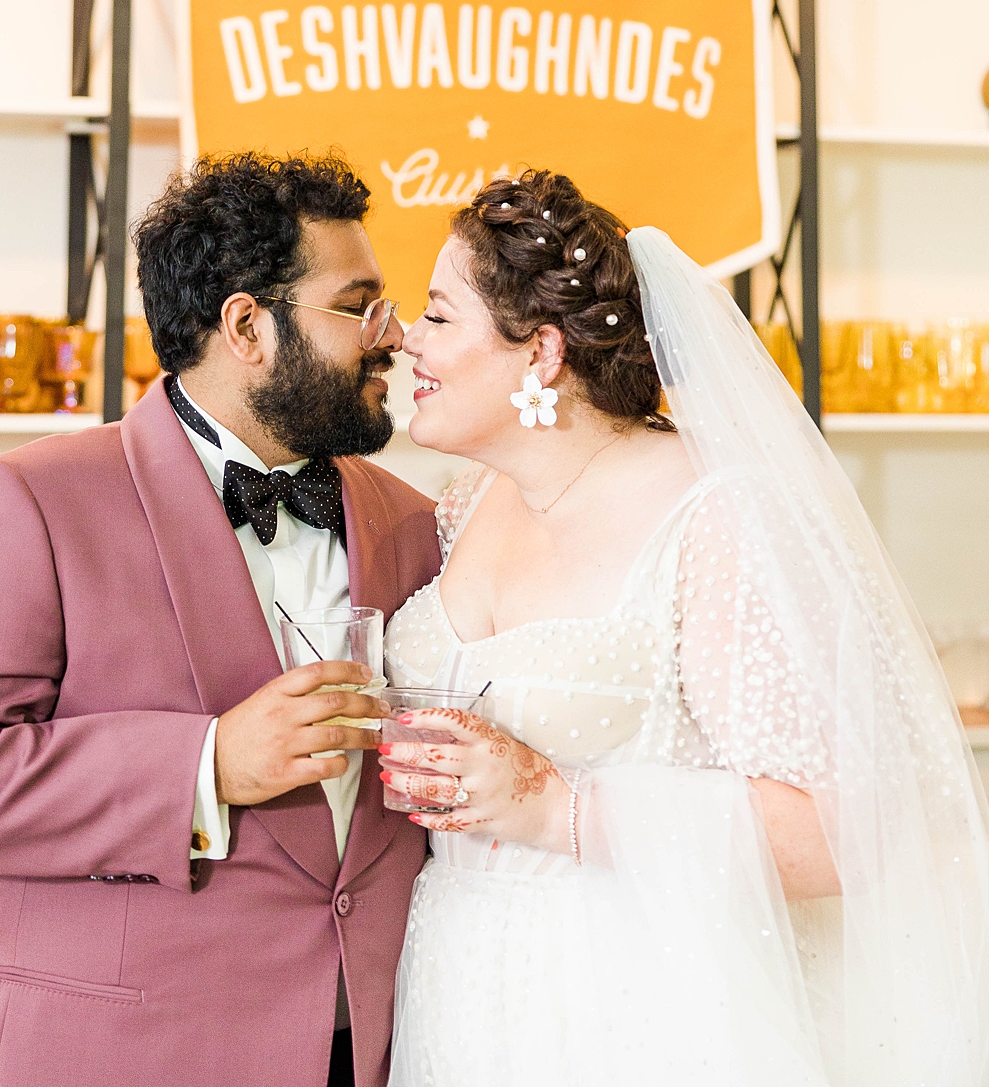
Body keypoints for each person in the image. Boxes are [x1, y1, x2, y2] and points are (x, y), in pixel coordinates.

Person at [380, 168, 989, 1087]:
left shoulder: (716, 514)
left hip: (643, 995)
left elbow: (845, 830)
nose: (404, 340)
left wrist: (559, 809)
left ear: (540, 350)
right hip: (460, 972)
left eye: (437, 314)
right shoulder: (468, 504)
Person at [0, 152, 440, 1087]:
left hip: (363, 1051)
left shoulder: (412, 518)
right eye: (357, 305)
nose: (392, 334)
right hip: (113, 1057)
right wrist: (205, 765)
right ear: (247, 327)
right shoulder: (32, 500)